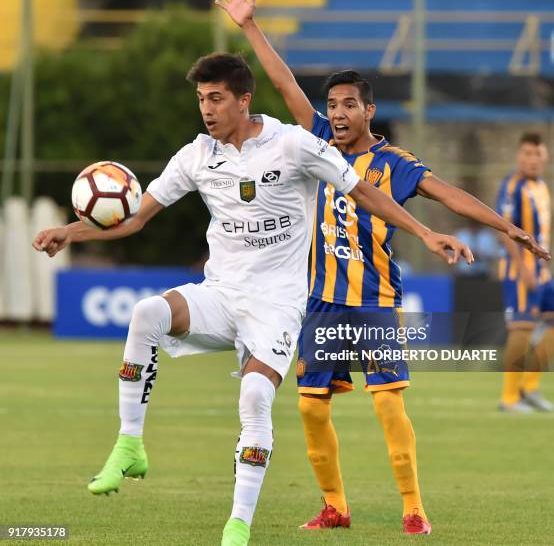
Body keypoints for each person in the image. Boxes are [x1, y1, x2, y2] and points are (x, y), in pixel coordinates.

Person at [32, 53, 474, 546]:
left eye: (216, 98)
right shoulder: (196, 155)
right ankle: (129, 443)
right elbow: (136, 217)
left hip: (278, 306)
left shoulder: (292, 144)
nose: (207, 109)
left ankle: (237, 525)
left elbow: (363, 192)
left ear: (244, 100)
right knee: (147, 313)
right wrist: (70, 232)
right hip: (220, 295)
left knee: (255, 396)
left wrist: (425, 231)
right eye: (201, 99)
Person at [215, 0, 551, 536]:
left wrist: (508, 227)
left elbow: (451, 195)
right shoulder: (318, 141)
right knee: (310, 408)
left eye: (350, 104)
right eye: (333, 105)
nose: (338, 113)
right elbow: (283, 81)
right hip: (320, 302)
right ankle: (334, 507)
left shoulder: (394, 162)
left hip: (373, 302)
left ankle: (414, 508)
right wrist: (249, 24)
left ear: (370, 109)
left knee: (389, 406)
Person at [497, 132, 554, 412]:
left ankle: (529, 387)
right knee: (521, 328)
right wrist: (523, 268)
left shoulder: (542, 186)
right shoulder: (512, 186)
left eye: (538, 154)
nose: (533, 159)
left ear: (545, 157)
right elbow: (503, 231)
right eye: (528, 154)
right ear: (520, 156)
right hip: (520, 269)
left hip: (543, 271)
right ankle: (509, 398)